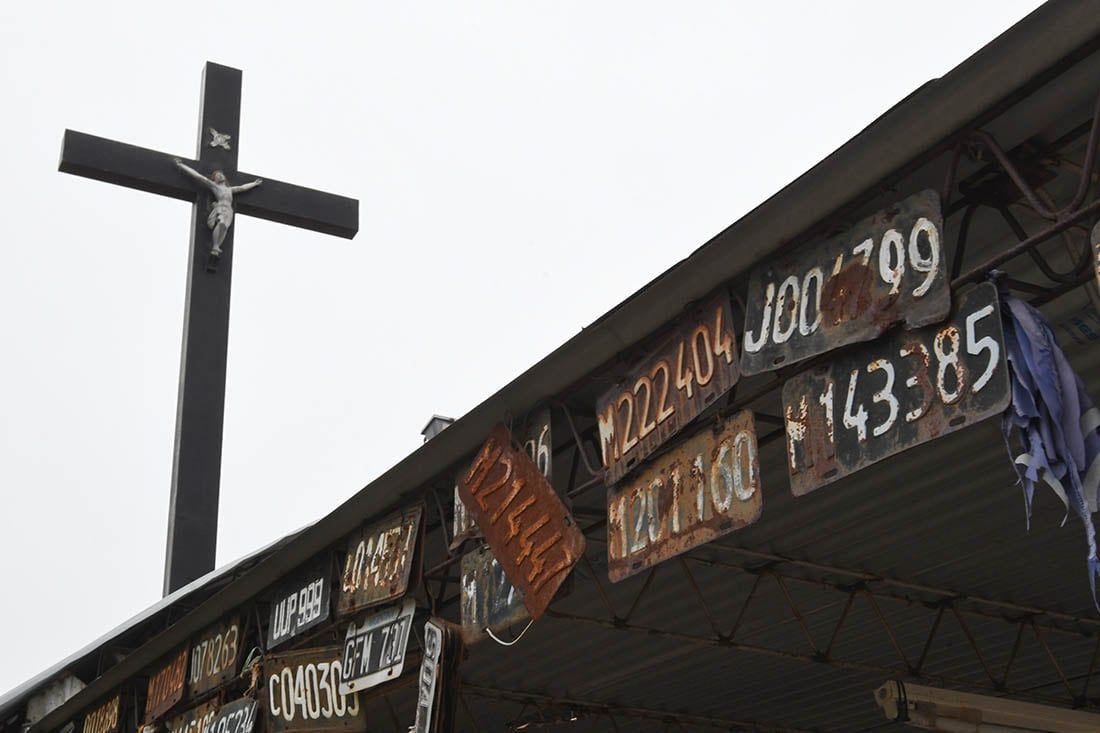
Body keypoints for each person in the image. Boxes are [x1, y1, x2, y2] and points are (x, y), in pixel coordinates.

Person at [174, 159, 262, 257]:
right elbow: (198, 176)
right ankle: (215, 245)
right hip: (220, 208)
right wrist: (181, 166)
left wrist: (254, 184)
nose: (219, 176)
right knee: (221, 223)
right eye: (217, 176)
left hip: (229, 210)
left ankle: (217, 246)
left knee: (224, 227)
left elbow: (242, 188)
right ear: (215, 180)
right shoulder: (214, 187)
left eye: (220, 174)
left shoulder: (230, 189)